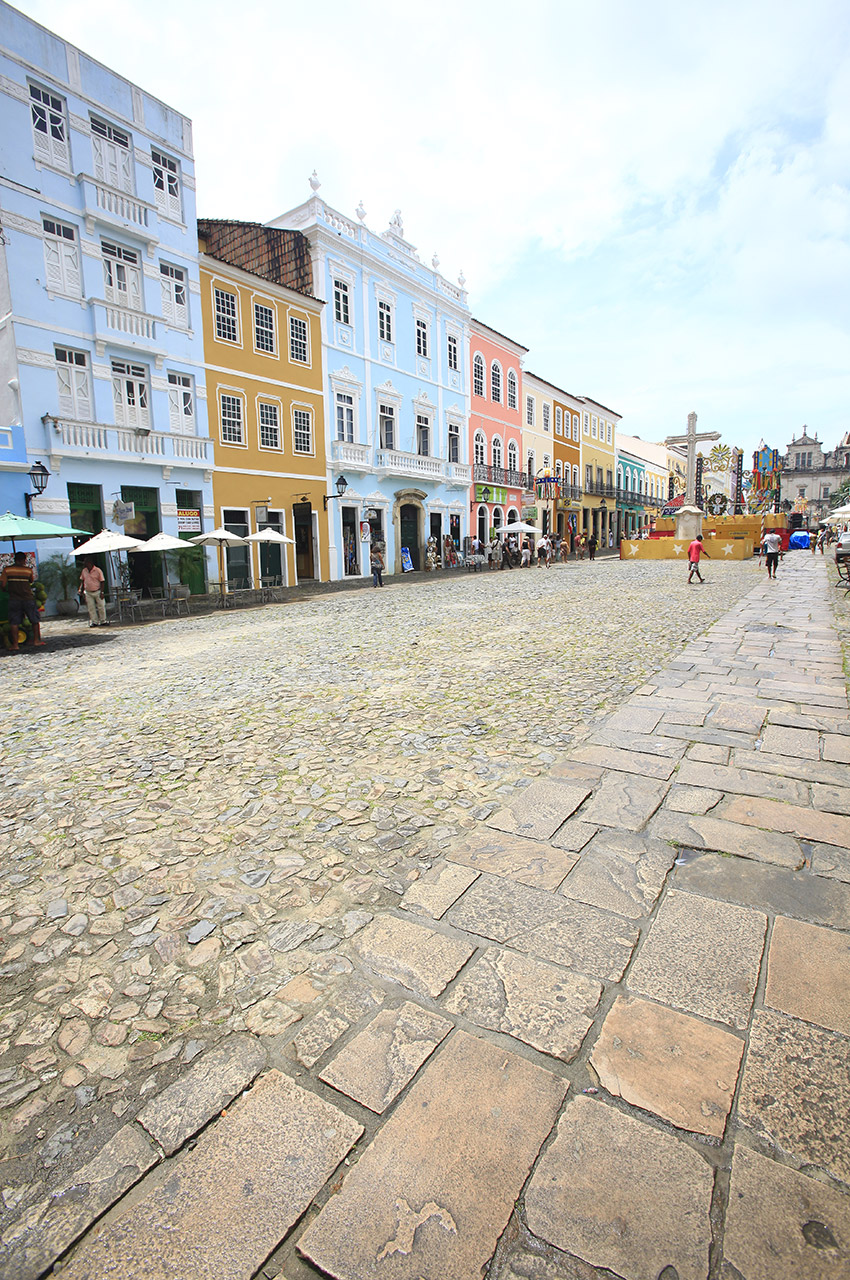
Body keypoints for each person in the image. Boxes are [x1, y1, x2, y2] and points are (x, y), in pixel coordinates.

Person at [1, 551, 45, 652]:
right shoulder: (28, 570)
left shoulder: (7, 570)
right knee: (34, 620)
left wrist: (7, 590)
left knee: (14, 622)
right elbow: (31, 581)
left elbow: (3, 584)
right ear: (24, 560)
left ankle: (15, 644)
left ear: (14, 559)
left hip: (14, 599)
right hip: (28, 598)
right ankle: (36, 640)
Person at [79, 558, 107, 626]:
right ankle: (94, 622)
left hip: (97, 591)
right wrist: (81, 589)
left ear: (90, 563)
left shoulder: (97, 570)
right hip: (88, 592)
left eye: (86, 563)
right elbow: (83, 581)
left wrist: (102, 592)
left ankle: (103, 621)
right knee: (91, 608)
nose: (85, 565)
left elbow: (102, 581)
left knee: (101, 606)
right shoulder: (84, 571)